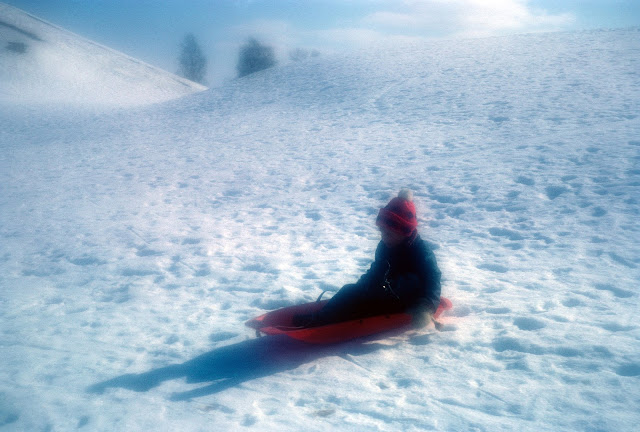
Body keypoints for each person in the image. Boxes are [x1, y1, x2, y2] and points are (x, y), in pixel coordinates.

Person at [294, 189, 442, 328]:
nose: (384, 237)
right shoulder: (385, 246)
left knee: (408, 280)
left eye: (389, 234)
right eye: (382, 232)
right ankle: (320, 318)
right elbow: (377, 269)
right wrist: (361, 287)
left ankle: (334, 320)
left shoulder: (421, 252)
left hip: (410, 300)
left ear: (404, 232)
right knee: (349, 290)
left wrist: (426, 306)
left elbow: (433, 278)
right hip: (385, 292)